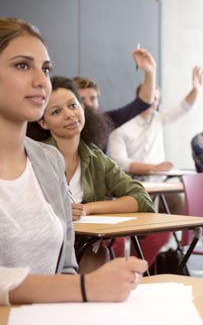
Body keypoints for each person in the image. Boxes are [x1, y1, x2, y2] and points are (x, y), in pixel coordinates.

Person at [0, 17, 146, 305]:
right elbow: (71, 283)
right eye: (22, 65)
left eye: (45, 69)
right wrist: (83, 288)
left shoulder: (48, 159)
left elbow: (66, 265)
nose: (41, 81)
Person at [26, 77, 167, 269]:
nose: (69, 115)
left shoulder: (95, 157)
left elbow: (142, 198)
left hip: (84, 247)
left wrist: (89, 208)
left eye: (73, 105)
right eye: (56, 111)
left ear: (83, 109)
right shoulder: (33, 156)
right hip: (40, 250)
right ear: (43, 123)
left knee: (100, 254)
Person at [107, 66, 203, 176]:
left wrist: (196, 90)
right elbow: (120, 163)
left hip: (159, 182)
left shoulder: (158, 119)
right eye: (150, 97)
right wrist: (154, 168)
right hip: (131, 182)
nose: (152, 102)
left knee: (184, 193)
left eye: (156, 99)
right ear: (140, 98)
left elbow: (184, 108)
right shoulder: (121, 125)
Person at [73, 47, 156, 130]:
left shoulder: (105, 122)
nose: (89, 104)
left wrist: (150, 71)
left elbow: (143, 103)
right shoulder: (65, 125)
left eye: (92, 98)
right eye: (82, 100)